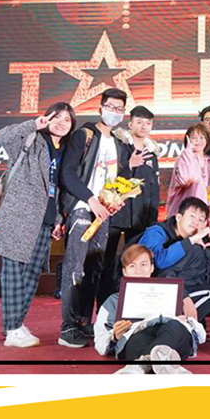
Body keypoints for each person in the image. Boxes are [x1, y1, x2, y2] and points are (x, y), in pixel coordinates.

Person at [0, 103, 76, 348]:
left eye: (67, 120)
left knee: (32, 276)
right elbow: (3, 136)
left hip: (44, 221)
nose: (61, 123)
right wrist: (33, 124)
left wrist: (57, 220)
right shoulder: (32, 139)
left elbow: (55, 189)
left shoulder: (63, 150)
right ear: (47, 118)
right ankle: (13, 330)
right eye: (57, 117)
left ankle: (15, 324)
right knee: (14, 275)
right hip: (18, 217)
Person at [57, 88, 137, 348]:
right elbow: (68, 173)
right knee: (75, 268)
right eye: (110, 107)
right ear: (101, 107)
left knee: (94, 269)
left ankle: (83, 320)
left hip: (103, 214)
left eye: (119, 109)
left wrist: (120, 190)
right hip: (82, 209)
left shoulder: (118, 143)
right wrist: (90, 199)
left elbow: (116, 180)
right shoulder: (85, 135)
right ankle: (67, 327)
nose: (114, 112)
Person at [94, 245, 205, 375]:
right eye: (132, 266)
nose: (138, 270)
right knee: (138, 340)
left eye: (144, 264)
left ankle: (139, 366)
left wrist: (185, 320)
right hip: (137, 336)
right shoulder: (113, 301)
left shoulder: (172, 293)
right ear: (124, 271)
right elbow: (100, 340)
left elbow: (198, 333)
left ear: (152, 268)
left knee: (175, 327)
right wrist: (114, 336)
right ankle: (171, 368)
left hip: (173, 334)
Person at [138, 198, 210, 324]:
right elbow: (159, 264)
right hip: (146, 291)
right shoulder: (158, 232)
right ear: (179, 217)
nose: (196, 222)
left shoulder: (207, 248)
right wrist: (184, 298)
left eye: (201, 220)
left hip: (176, 290)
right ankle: (181, 324)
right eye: (192, 216)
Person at [101, 105, 161, 307]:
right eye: (139, 122)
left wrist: (152, 220)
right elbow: (108, 177)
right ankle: (105, 308)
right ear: (130, 124)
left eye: (148, 123)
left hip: (139, 220)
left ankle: (131, 307)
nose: (144, 126)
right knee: (107, 264)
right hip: (115, 213)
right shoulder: (119, 147)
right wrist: (129, 165)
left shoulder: (152, 154)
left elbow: (153, 189)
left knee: (135, 263)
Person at [164, 123, 210, 219]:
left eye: (202, 137)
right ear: (188, 140)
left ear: (207, 140)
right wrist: (188, 152)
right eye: (194, 138)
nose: (198, 141)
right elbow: (184, 180)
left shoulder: (209, 162)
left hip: (202, 214)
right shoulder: (183, 158)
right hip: (183, 212)